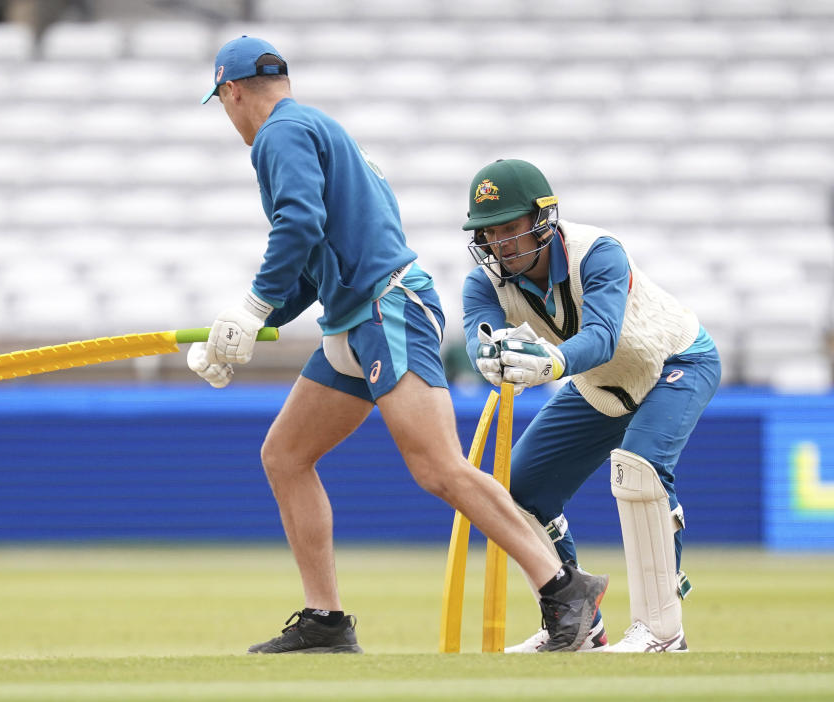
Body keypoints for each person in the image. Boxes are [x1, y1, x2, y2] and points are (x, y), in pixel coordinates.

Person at [188, 36, 609, 654]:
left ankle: (564, 587)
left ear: (232, 90)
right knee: (285, 456)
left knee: (438, 467)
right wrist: (245, 329)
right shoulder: (319, 131)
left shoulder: (281, 134)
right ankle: (325, 622)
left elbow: (297, 225)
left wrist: (251, 306)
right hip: (357, 316)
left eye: (222, 101)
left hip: (385, 309)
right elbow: (312, 262)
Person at [462, 159, 721, 653]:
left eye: (510, 228)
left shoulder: (598, 253)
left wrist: (551, 362)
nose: (500, 244)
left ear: (544, 217)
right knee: (518, 490)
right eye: (489, 232)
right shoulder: (484, 282)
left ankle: (663, 631)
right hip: (601, 384)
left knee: (640, 469)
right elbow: (481, 337)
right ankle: (576, 624)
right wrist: (492, 359)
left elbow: (601, 336)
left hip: (674, 359)